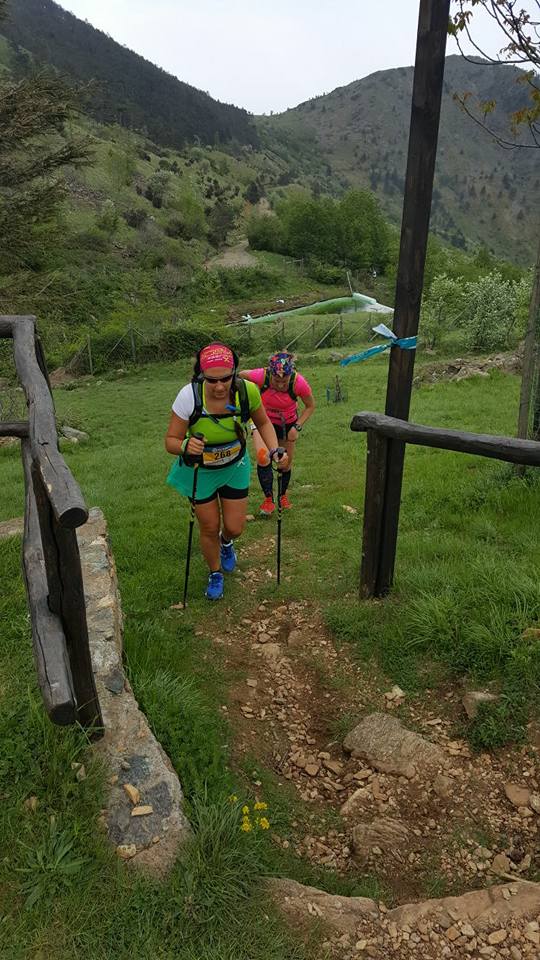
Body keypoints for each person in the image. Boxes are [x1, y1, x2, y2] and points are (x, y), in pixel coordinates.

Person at [165, 342, 287, 601]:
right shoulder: (189, 396)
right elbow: (171, 442)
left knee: (234, 527)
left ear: (234, 373)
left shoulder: (247, 391)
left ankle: (226, 543)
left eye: (225, 379)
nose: (220, 387)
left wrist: (276, 450)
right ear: (201, 376)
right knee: (209, 526)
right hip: (200, 469)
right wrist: (186, 445)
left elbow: (263, 422)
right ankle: (215, 573)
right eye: (212, 380)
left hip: (234, 466)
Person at [239, 351, 315, 515]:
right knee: (263, 456)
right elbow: (240, 376)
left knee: (284, 462)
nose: (280, 384)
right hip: (263, 420)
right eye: (277, 380)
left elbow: (310, 406)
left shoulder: (298, 382)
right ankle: (268, 500)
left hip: (287, 423)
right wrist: (247, 399)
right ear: (270, 373)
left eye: (284, 381)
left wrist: (297, 427)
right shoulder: (261, 376)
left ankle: (282, 496)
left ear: (291, 375)